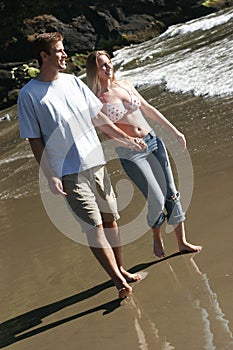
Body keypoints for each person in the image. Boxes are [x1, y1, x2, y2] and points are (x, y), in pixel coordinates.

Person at [17, 33, 145, 299]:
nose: (65, 55)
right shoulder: (29, 95)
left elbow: (97, 116)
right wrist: (50, 176)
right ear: (44, 56)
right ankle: (118, 281)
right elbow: (35, 140)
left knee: (111, 220)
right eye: (60, 51)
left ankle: (120, 267)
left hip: (96, 160)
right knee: (93, 226)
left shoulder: (73, 82)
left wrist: (124, 138)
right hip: (69, 171)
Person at [86, 50, 202, 258]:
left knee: (171, 193)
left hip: (153, 141)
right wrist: (129, 141)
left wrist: (174, 130)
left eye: (109, 62)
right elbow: (108, 131)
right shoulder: (96, 100)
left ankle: (182, 242)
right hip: (130, 153)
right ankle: (156, 236)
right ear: (94, 71)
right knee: (156, 199)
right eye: (102, 65)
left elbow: (147, 108)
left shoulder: (125, 84)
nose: (108, 67)